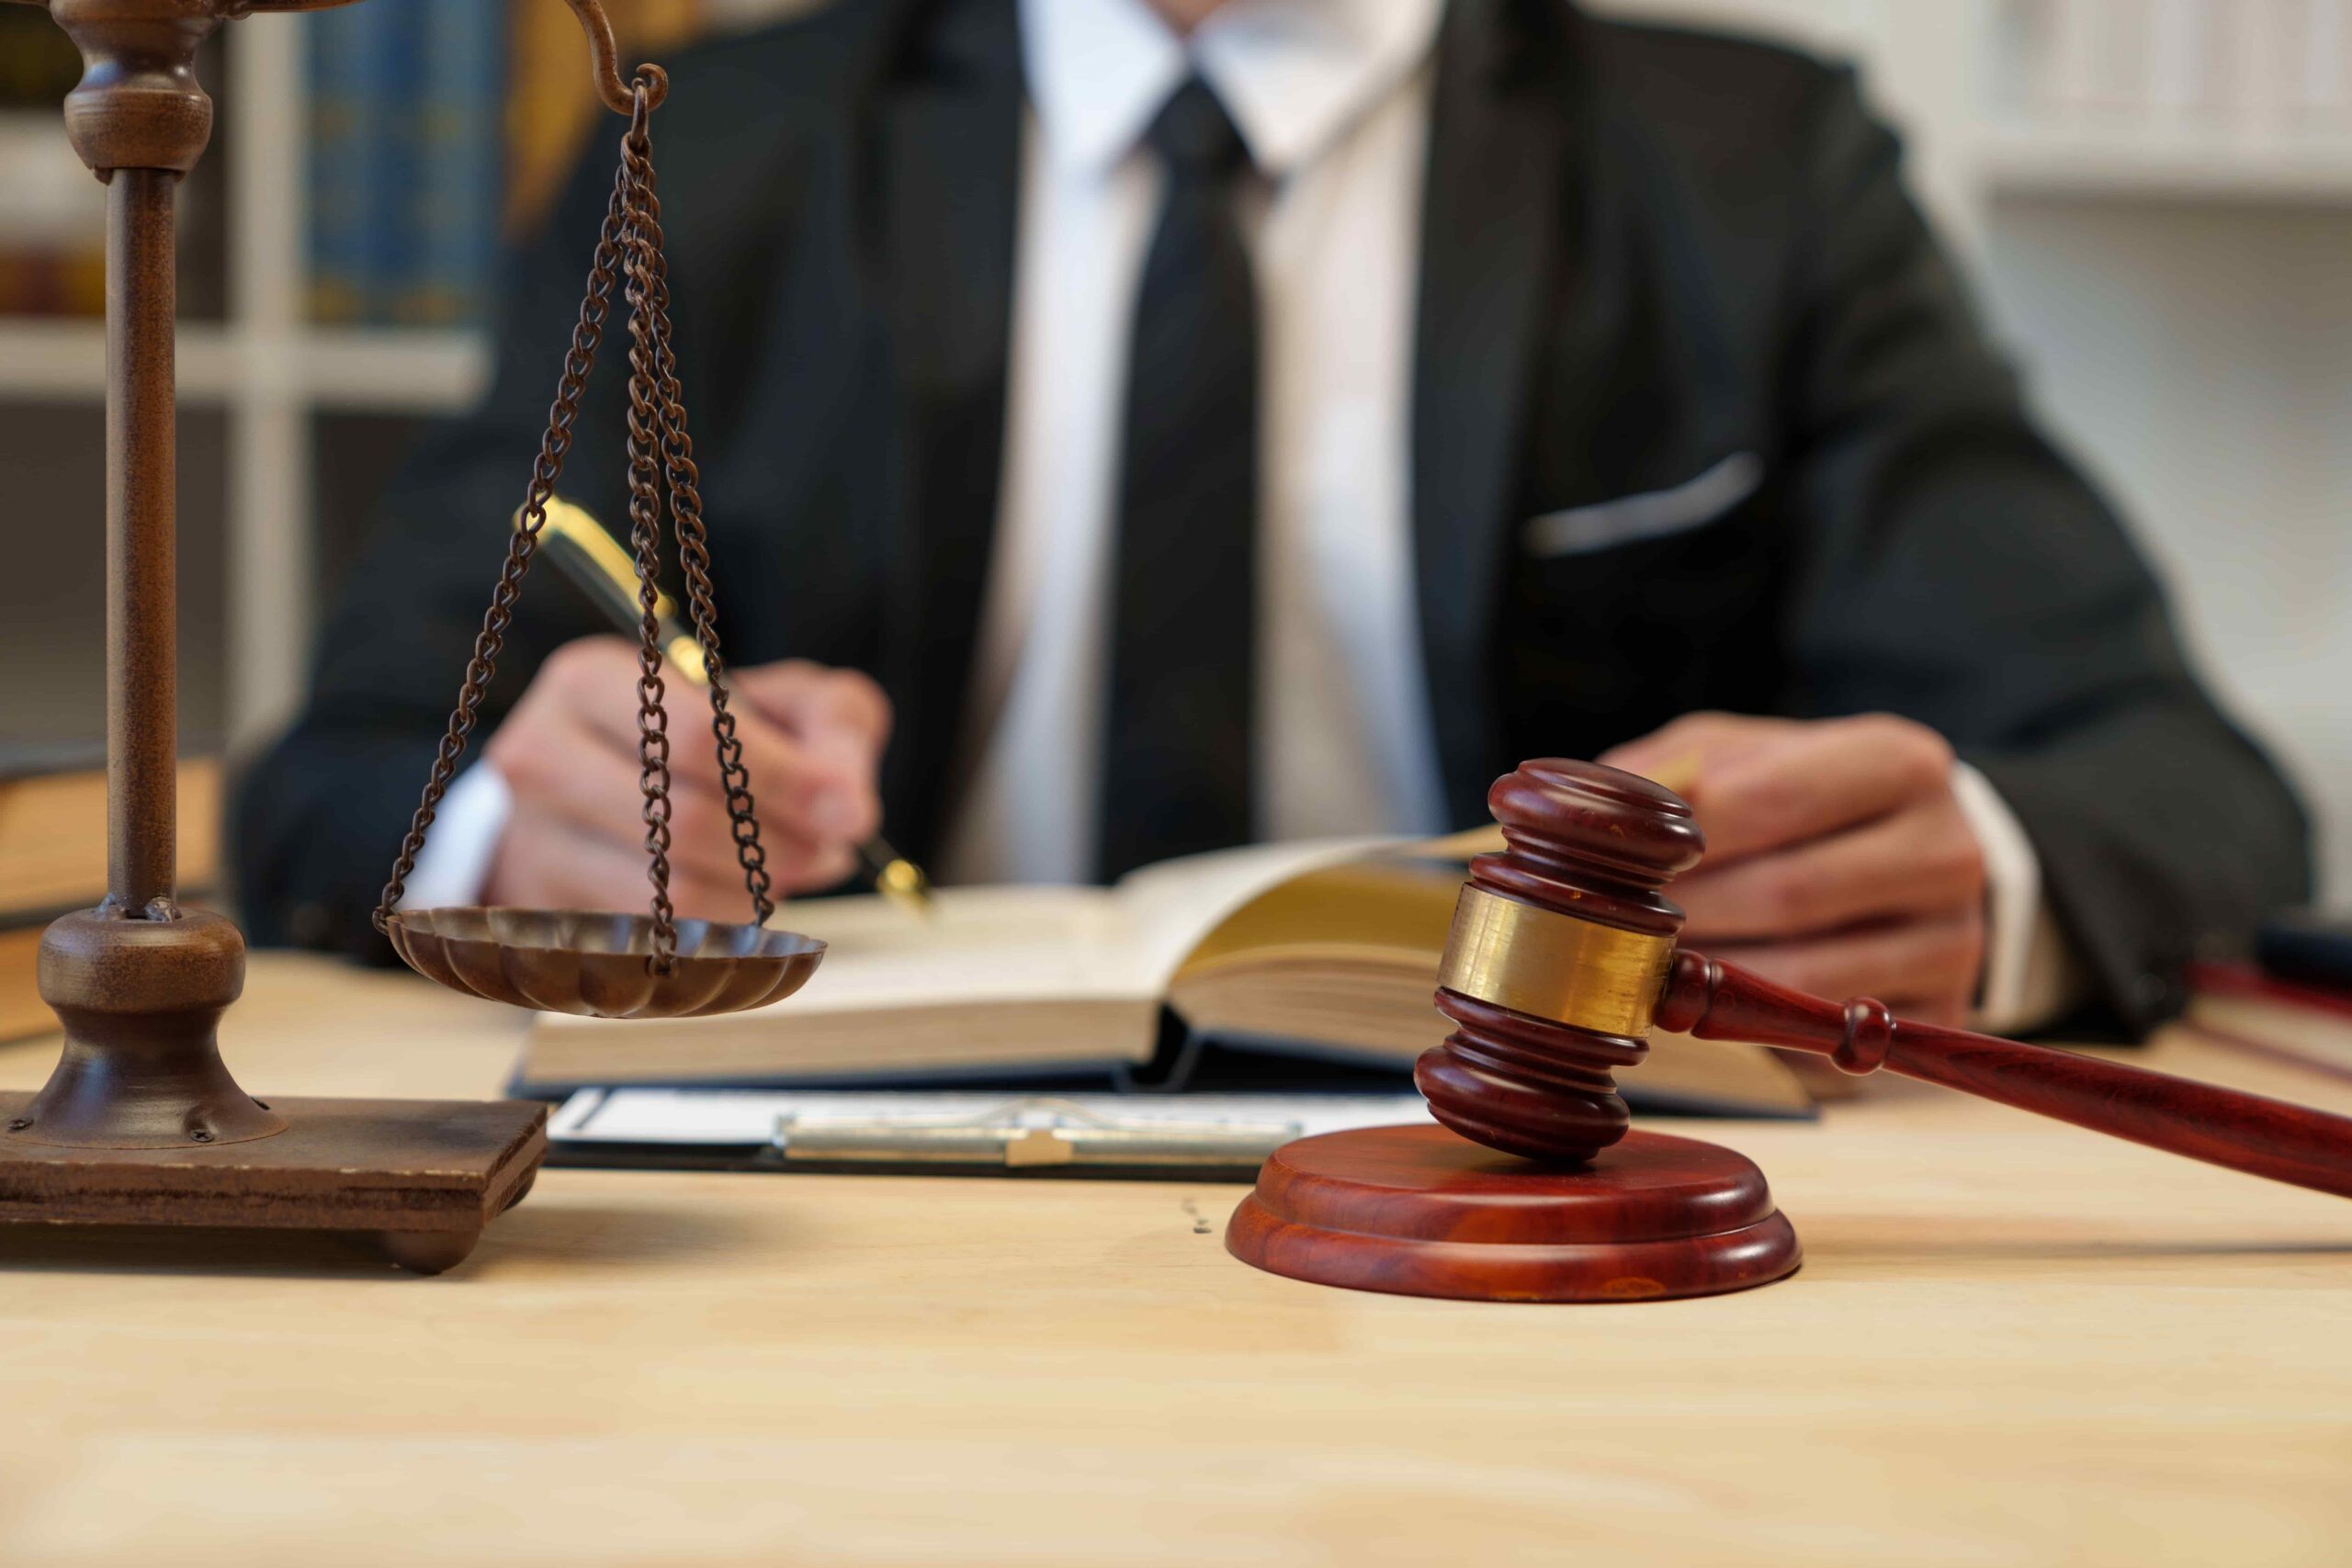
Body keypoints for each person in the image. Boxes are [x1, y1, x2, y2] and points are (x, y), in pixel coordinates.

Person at [235, 0, 2310, 1035]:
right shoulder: (723, 150)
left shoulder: (1748, 171)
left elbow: (2172, 778)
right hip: (832, 1211)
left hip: (1538, 1233)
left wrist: (1968, 881)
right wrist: (536, 824)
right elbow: (326, 782)